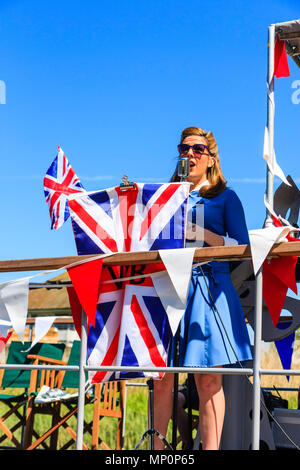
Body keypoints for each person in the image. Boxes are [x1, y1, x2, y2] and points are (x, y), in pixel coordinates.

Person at [153, 126, 253, 450]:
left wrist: (202, 235)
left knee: (207, 379)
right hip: (171, 289)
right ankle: (157, 452)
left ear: (211, 159)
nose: (190, 155)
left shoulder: (226, 197)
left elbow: (243, 248)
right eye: (184, 149)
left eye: (198, 150)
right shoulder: (167, 199)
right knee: (163, 377)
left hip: (209, 290)